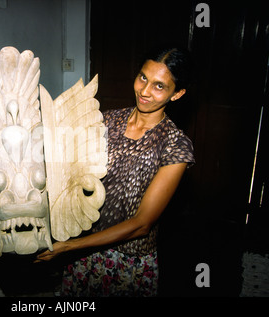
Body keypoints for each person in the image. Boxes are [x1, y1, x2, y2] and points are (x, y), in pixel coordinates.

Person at [35, 46, 195, 297]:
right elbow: (73, 177)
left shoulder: (175, 145)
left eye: (159, 86)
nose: (144, 91)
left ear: (177, 94)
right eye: (143, 77)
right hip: (83, 248)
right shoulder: (106, 121)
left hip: (127, 260)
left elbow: (142, 224)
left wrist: (70, 246)